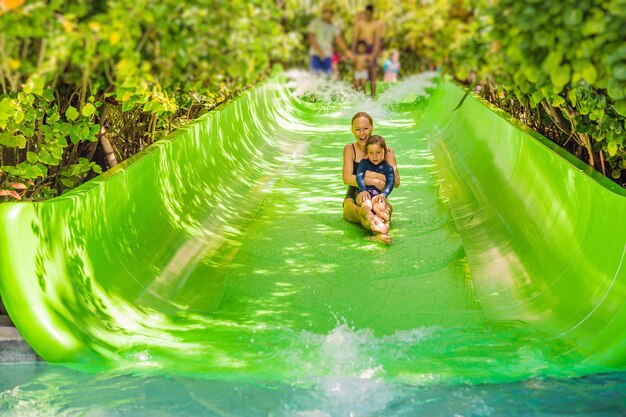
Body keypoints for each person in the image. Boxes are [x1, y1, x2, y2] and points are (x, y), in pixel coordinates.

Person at [342, 112, 400, 244]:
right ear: (352, 130)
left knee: (384, 211)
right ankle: (381, 233)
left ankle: (380, 236)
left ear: (372, 127)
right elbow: (346, 178)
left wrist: (388, 168)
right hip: (355, 196)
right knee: (362, 211)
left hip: (378, 197)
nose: (362, 133)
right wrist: (375, 178)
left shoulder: (385, 151)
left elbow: (396, 182)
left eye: (366, 128)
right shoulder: (350, 149)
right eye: (357, 129)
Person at [356, 135, 395, 236]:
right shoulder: (364, 163)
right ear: (367, 153)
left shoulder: (388, 168)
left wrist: (384, 195)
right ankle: (369, 216)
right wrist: (363, 190)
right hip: (364, 193)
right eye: (371, 153)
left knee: (379, 205)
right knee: (366, 203)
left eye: (378, 152)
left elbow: (391, 182)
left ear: (384, 152)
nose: (374, 156)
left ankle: (381, 223)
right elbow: (359, 175)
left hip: (378, 195)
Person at [307, 4, 353, 75]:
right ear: (322, 12)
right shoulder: (315, 23)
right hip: (315, 54)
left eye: (330, 12)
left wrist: (347, 52)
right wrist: (320, 52)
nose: (328, 14)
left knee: (326, 79)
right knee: (315, 78)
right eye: (326, 12)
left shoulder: (333, 27)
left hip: (327, 56)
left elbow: (339, 40)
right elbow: (311, 38)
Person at [351, 4, 383, 96]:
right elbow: (355, 38)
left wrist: (373, 54)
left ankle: (373, 97)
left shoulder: (376, 24)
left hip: (371, 48)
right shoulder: (360, 23)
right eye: (367, 13)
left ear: (372, 13)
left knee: (372, 76)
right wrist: (353, 52)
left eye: (370, 13)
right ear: (365, 13)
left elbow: (377, 41)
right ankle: (359, 98)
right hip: (360, 49)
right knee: (358, 74)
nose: (368, 15)